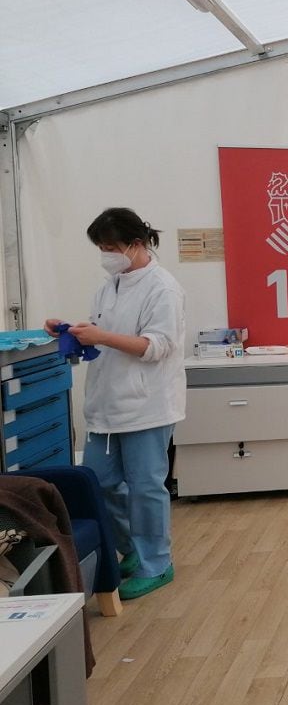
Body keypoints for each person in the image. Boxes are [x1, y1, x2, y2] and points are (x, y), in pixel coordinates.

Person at [44, 208, 185, 600]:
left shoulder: (163, 288)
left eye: (111, 247)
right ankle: (134, 549)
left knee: (145, 487)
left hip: (147, 406)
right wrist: (73, 331)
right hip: (107, 405)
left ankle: (157, 562)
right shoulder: (110, 286)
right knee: (99, 483)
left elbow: (157, 346)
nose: (106, 255)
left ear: (136, 244)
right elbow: (105, 333)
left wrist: (102, 336)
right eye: (102, 249)